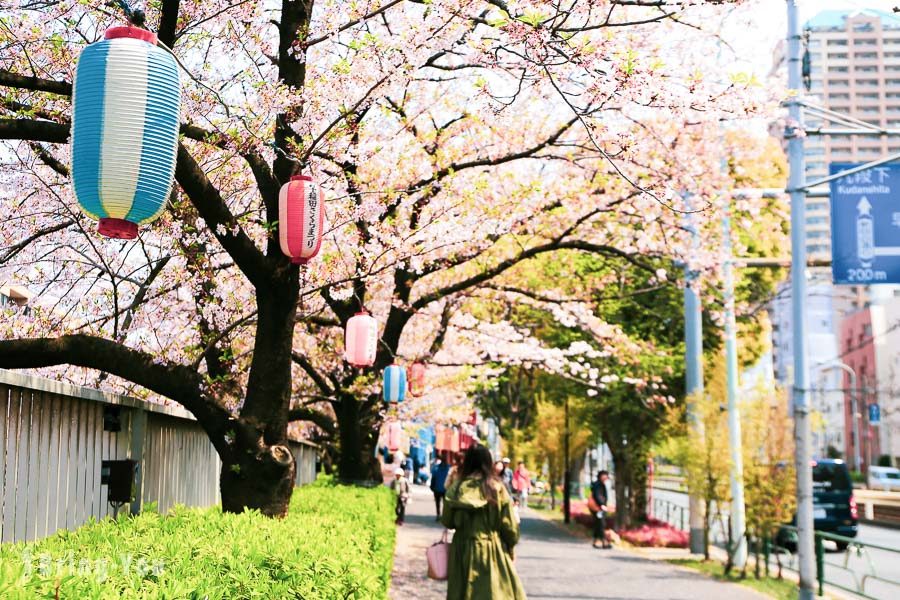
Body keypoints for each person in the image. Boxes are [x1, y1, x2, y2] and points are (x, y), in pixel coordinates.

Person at [441, 445, 526, 600]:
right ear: (488, 462)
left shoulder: (457, 488)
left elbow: (447, 521)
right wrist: (511, 547)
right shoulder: (496, 488)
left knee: (461, 592)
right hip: (491, 548)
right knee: (493, 592)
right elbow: (510, 527)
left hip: (462, 549)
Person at [590, 470, 611, 549]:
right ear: (601, 476)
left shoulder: (599, 484)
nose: (606, 477)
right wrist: (601, 504)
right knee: (601, 524)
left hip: (598, 507)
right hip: (598, 507)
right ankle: (603, 542)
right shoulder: (598, 485)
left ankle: (596, 541)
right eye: (605, 475)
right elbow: (597, 495)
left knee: (598, 525)